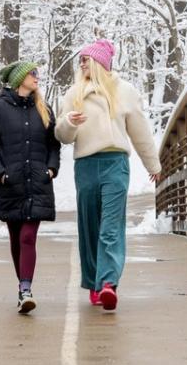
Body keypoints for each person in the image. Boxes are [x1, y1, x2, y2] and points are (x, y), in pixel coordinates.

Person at [55, 39, 161, 311]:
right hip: (86, 165)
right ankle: (93, 282)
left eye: (86, 59)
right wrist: (68, 123)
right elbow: (62, 136)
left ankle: (108, 284)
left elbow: (140, 132)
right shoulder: (73, 94)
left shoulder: (125, 92)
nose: (81, 64)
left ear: (101, 62)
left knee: (110, 227)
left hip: (115, 163)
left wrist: (153, 165)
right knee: (89, 226)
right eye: (80, 60)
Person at [0, 60, 61, 313]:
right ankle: (22, 288)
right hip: (11, 184)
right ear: (19, 79)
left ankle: (26, 289)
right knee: (16, 238)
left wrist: (50, 169)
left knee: (27, 236)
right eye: (32, 73)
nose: (37, 77)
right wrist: (0, 173)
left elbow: (54, 145)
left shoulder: (44, 108)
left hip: (37, 183)